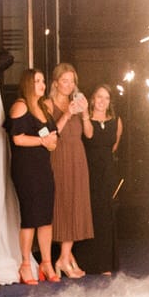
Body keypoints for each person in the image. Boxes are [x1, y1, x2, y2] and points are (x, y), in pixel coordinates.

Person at [5, 69, 58, 284]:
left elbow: (53, 141)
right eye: (37, 81)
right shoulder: (20, 106)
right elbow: (17, 138)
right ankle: (25, 265)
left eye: (43, 81)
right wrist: (42, 142)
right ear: (28, 83)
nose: (42, 85)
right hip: (26, 169)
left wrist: (48, 142)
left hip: (43, 168)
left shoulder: (44, 108)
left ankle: (46, 262)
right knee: (30, 217)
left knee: (45, 217)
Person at [44, 62, 92, 278]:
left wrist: (83, 113)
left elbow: (88, 134)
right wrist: (67, 113)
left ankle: (66, 255)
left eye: (72, 81)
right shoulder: (47, 104)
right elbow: (50, 134)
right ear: (55, 83)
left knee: (76, 202)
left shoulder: (78, 102)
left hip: (77, 155)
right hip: (58, 155)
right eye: (65, 81)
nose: (69, 85)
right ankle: (63, 257)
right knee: (61, 203)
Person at [76, 85, 122, 275]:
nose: (103, 101)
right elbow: (89, 135)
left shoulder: (116, 121)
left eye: (106, 98)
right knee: (89, 214)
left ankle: (105, 264)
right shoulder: (85, 119)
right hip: (88, 171)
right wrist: (86, 115)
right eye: (99, 97)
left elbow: (114, 146)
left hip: (107, 172)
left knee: (106, 216)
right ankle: (86, 263)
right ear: (92, 99)